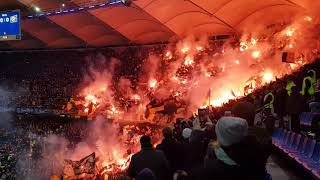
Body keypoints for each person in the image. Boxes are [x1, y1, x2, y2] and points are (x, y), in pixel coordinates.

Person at [185, 117, 268, 180]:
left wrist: (195, 135)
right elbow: (231, 136)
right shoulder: (258, 153)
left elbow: (196, 171)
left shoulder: (215, 167)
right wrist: (215, 128)